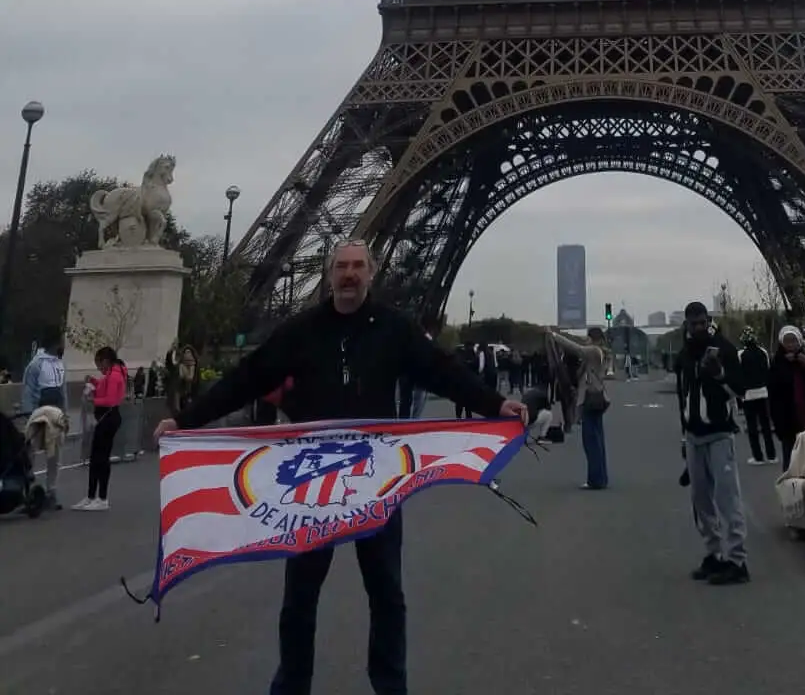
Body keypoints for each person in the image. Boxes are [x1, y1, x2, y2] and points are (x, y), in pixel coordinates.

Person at [154, 239, 525, 695]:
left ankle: (390, 686)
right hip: (312, 484)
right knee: (300, 597)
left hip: (377, 480)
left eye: (357, 267)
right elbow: (246, 378)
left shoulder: (394, 329)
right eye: (342, 267)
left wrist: (494, 404)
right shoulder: (302, 330)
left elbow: (442, 370)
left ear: (371, 272)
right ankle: (292, 685)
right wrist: (186, 422)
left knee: (386, 592)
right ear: (331, 274)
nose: (349, 274)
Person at [675, 301, 749, 585]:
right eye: (693, 323)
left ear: (708, 321)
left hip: (719, 434)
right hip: (694, 436)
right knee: (701, 501)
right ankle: (715, 554)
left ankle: (737, 560)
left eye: (702, 322)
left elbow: (739, 391)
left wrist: (719, 374)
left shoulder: (725, 350)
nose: (698, 327)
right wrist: (684, 437)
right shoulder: (684, 355)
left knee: (727, 499)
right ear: (687, 324)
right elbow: (682, 398)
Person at [549, 326, 609, 489]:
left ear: (593, 338)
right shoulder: (602, 352)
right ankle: (600, 477)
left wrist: (555, 336)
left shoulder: (594, 351)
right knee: (597, 439)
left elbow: (575, 348)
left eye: (587, 338)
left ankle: (595, 479)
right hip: (598, 397)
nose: (585, 340)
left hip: (590, 398)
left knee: (590, 441)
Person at [768, 325, 805, 472]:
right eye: (787, 342)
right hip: (788, 424)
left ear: (800, 342)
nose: (790, 345)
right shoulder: (776, 365)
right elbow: (773, 396)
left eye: (794, 341)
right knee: (792, 466)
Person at [77, 346, 127, 511]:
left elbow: (110, 400)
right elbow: (104, 388)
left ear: (105, 361)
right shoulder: (111, 375)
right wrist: (94, 382)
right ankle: (91, 495)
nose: (99, 368)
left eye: (98, 364)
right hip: (106, 418)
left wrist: (93, 401)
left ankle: (101, 497)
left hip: (108, 418)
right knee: (96, 456)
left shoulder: (114, 376)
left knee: (101, 457)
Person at [21, 338, 67, 511]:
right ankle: (25, 489)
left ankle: (51, 491)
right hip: (39, 414)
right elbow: (28, 390)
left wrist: (65, 415)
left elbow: (63, 391)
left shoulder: (60, 364)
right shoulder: (36, 365)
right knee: (29, 452)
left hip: (56, 415)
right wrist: (29, 415)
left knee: (55, 455)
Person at [735, 328, 775, 466]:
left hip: (748, 395)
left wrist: (740, 396)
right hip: (763, 392)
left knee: (752, 427)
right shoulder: (763, 352)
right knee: (766, 426)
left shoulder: (740, 354)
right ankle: (772, 455)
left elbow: (738, 375)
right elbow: (768, 370)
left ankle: (758, 457)